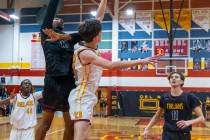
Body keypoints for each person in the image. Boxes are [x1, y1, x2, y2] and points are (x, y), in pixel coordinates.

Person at [67, 19, 159, 140]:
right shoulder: (86, 53)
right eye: (100, 32)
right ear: (96, 37)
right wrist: (141, 61)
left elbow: (97, 19)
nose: (102, 33)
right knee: (80, 137)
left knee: (84, 137)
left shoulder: (91, 46)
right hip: (82, 97)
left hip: (88, 96)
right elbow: (110, 65)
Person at [35, 0, 107, 140]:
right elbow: (50, 11)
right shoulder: (46, 33)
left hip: (69, 83)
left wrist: (103, 1)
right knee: (45, 123)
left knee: (70, 125)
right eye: (55, 18)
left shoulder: (70, 38)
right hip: (52, 81)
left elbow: (96, 23)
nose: (58, 18)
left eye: (60, 19)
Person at [142, 72, 205, 140]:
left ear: (182, 81)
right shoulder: (164, 97)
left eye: (176, 77)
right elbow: (157, 116)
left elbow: (201, 118)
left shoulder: (190, 97)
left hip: (183, 134)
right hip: (167, 134)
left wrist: (188, 122)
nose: (173, 78)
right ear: (169, 81)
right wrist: (147, 128)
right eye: (171, 77)